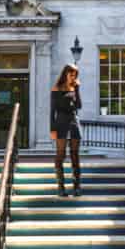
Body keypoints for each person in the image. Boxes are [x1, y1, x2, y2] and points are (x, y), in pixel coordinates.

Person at [50, 63, 83, 197]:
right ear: (65, 74)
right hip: (61, 123)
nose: (73, 77)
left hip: (74, 122)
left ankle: (77, 187)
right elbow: (52, 111)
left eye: (75, 75)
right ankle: (61, 187)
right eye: (71, 74)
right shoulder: (56, 89)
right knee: (61, 155)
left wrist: (77, 89)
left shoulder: (74, 89)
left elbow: (79, 106)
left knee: (75, 155)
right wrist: (52, 129)